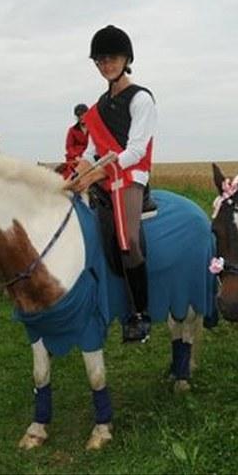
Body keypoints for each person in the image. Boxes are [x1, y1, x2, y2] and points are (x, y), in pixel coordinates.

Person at [69, 25, 157, 343]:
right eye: (101, 60)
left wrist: (96, 174)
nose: (106, 65)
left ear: (126, 59)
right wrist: (78, 173)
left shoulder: (141, 99)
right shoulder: (99, 107)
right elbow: (91, 150)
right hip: (105, 175)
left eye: (112, 58)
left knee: (129, 240)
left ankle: (141, 313)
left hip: (131, 177)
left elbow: (135, 150)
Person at [63, 103, 89, 175]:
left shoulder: (93, 129)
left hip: (90, 156)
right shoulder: (72, 130)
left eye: (83, 114)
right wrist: (76, 157)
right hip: (75, 159)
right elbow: (69, 146)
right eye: (79, 115)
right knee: (71, 172)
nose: (81, 117)